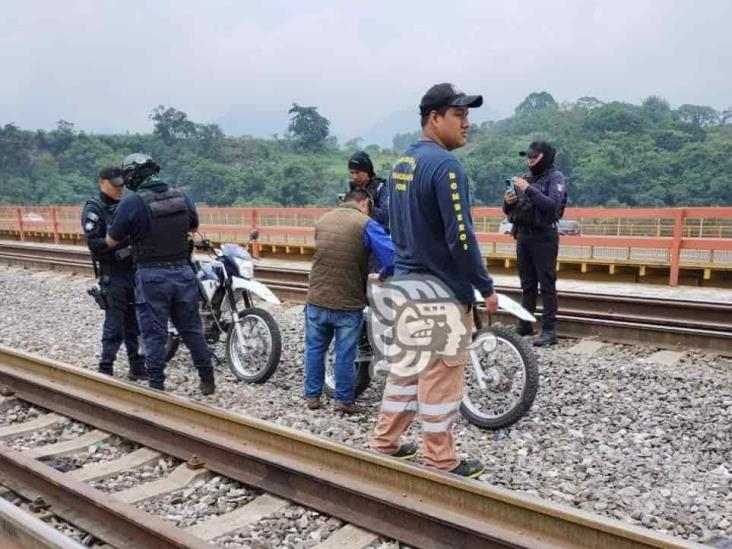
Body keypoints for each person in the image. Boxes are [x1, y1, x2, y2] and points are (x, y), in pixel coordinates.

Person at [371, 83, 498, 478]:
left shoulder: (401, 164)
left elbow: (392, 224)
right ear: (434, 118)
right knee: (441, 378)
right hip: (440, 291)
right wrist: (484, 285)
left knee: (406, 370)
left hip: (407, 288)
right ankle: (441, 461)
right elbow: (460, 237)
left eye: (467, 116)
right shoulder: (446, 166)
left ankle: (385, 444)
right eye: (458, 115)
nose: (466, 124)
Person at [105, 153, 215, 395]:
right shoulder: (182, 195)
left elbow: (111, 240)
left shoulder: (132, 202)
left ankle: (156, 386)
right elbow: (194, 227)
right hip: (184, 273)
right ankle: (207, 380)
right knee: (192, 329)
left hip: (152, 275)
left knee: (154, 334)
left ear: (133, 176)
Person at [304, 189, 394, 413]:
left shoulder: (323, 220)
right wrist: (383, 274)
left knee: (315, 349)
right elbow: (391, 256)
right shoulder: (366, 223)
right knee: (345, 352)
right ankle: (343, 400)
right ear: (364, 203)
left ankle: (312, 397)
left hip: (316, 297)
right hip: (347, 302)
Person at [81, 166, 146, 380]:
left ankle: (136, 367)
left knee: (133, 324)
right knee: (114, 324)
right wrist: (122, 242)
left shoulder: (125, 206)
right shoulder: (94, 208)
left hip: (132, 272)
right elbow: (96, 246)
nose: (120, 190)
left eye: (122, 186)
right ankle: (106, 367)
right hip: (113, 274)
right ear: (102, 182)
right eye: (115, 185)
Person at [503, 141, 565, 347]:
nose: (529, 160)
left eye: (534, 157)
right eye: (528, 157)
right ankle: (525, 323)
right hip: (523, 234)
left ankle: (549, 330)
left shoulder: (555, 177)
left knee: (546, 283)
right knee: (527, 283)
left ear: (545, 157)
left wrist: (528, 189)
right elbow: (511, 210)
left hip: (544, 235)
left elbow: (552, 205)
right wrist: (509, 200)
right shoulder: (525, 178)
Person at [347, 151, 389, 230]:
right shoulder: (352, 189)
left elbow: (386, 215)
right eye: (352, 173)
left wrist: (367, 208)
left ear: (367, 172)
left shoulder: (381, 188)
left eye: (357, 172)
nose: (354, 176)